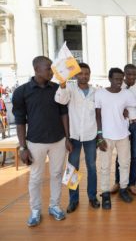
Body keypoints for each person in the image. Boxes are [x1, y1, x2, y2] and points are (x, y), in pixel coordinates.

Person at [12, 56, 72, 227]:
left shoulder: (56, 88)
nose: (52, 72)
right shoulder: (21, 92)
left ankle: (54, 206)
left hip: (58, 141)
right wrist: (23, 147)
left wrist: (67, 138)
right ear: (36, 69)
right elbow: (20, 121)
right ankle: (35, 210)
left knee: (56, 175)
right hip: (35, 142)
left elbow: (64, 114)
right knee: (36, 177)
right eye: (48, 68)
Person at [54, 63, 99, 213]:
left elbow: (99, 113)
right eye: (81, 73)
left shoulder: (95, 92)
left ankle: (92, 197)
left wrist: (100, 134)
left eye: (87, 73)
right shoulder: (70, 89)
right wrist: (62, 84)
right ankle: (73, 200)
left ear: (90, 75)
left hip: (90, 135)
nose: (84, 76)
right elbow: (60, 100)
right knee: (72, 168)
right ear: (76, 75)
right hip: (74, 136)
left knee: (92, 167)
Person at [95, 68, 136, 209]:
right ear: (109, 79)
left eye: (121, 79)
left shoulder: (127, 94)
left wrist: (129, 112)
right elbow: (97, 115)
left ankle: (123, 189)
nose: (119, 82)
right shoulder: (100, 93)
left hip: (123, 135)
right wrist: (100, 136)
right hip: (106, 136)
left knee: (124, 163)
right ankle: (106, 194)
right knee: (105, 166)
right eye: (116, 79)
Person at [112, 64, 136, 195]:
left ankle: (132, 183)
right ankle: (117, 182)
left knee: (135, 155)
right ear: (124, 74)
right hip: (121, 125)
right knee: (121, 154)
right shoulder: (118, 86)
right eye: (129, 74)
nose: (132, 77)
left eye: (134, 74)